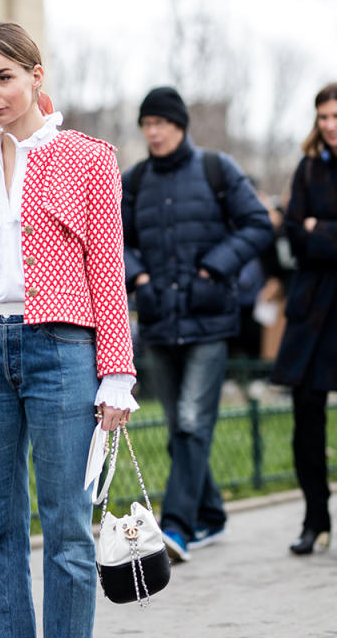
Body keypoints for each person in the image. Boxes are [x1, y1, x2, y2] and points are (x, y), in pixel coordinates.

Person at [0, 22, 138, 638]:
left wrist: (117, 375)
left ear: (35, 76)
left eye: (3, 77)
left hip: (61, 350)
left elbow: (106, 267)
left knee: (68, 530)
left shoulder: (89, 158)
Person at [121, 86, 272, 562]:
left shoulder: (216, 169)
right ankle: (212, 514)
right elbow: (111, 241)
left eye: (161, 123)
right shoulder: (135, 181)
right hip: (161, 322)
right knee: (178, 428)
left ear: (180, 125)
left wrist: (213, 268)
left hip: (209, 319)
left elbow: (256, 223)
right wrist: (138, 276)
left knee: (191, 423)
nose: (153, 132)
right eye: (146, 125)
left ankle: (178, 527)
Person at [271, 82, 337, 555]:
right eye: (324, 117)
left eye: (336, 116)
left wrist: (321, 229)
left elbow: (309, 231)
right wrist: (311, 232)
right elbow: (293, 237)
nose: (330, 126)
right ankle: (316, 520)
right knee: (305, 420)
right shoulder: (308, 169)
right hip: (312, 312)